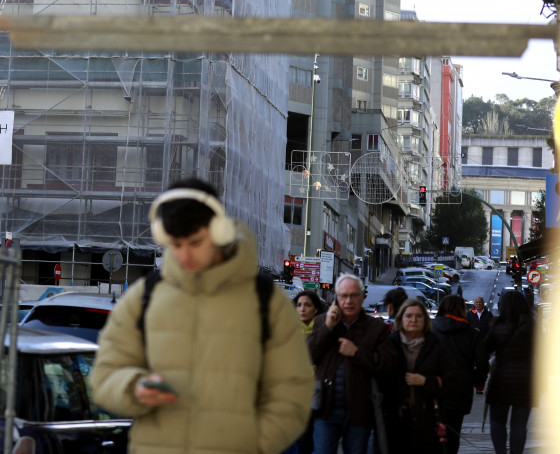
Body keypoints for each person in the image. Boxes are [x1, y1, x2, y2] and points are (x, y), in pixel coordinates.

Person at [91, 178, 314, 454]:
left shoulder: (267, 301)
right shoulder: (144, 295)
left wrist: (257, 444)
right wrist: (133, 387)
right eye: (176, 244)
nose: (184, 256)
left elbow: (294, 389)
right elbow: (103, 376)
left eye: (195, 242)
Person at [309, 273, 398, 454]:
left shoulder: (375, 328)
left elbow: (388, 364)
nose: (348, 301)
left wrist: (357, 353)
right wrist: (327, 328)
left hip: (360, 409)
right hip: (326, 407)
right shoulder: (323, 321)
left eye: (353, 295)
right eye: (343, 295)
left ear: (362, 297)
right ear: (337, 298)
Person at [385, 298, 457, 454]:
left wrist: (426, 381)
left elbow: (452, 379)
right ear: (401, 319)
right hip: (395, 420)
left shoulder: (435, 346)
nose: (413, 320)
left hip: (427, 419)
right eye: (409, 315)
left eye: (419, 316)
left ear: (425, 320)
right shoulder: (390, 344)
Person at [433, 294, 487, 454]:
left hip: (435, 385)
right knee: (454, 431)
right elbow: (483, 361)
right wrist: (478, 382)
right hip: (461, 387)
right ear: (462, 310)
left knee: (433, 430)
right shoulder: (471, 333)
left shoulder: (431, 329)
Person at [485, 290, 535, 454]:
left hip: (501, 380)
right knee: (519, 425)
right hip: (526, 382)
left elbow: (484, 350)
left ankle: (500, 451)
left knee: (497, 422)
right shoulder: (532, 326)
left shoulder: (498, 325)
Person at [290, 290, 326, 454]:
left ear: (316, 309)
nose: (302, 309)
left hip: (317, 394)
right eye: (299, 305)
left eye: (307, 305)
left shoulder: (323, 331)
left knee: (310, 440)